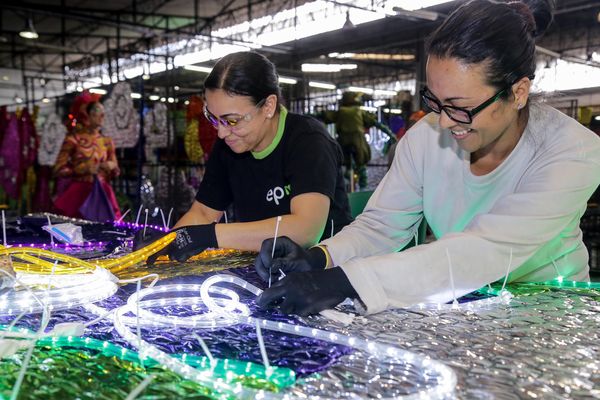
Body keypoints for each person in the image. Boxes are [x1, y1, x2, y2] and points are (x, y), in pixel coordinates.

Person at [255, 0, 600, 317]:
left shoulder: (571, 151)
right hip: (467, 302)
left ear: (518, 93)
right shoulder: (426, 139)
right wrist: (320, 257)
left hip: (551, 311)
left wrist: (346, 282)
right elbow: (383, 225)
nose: (445, 121)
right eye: (435, 102)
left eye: (461, 108)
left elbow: (485, 249)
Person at [138, 51, 352, 262]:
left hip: (326, 271)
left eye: (232, 121)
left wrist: (209, 236)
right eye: (213, 119)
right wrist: (165, 245)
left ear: (268, 106)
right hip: (263, 266)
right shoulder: (228, 147)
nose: (221, 133)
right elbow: (203, 212)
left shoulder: (307, 140)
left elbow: (305, 231)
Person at [53, 93, 122, 221]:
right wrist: (84, 169)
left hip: (102, 192)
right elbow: (59, 169)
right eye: (97, 111)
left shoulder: (107, 141)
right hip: (78, 194)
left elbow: (116, 169)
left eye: (103, 112)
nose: (102, 116)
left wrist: (111, 166)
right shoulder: (73, 139)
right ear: (86, 114)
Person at [318, 92, 395, 190]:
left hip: (343, 141)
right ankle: (363, 188)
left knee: (345, 166)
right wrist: (391, 135)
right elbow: (376, 124)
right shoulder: (359, 111)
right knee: (361, 166)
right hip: (358, 141)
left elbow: (324, 116)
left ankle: (345, 184)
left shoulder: (340, 112)